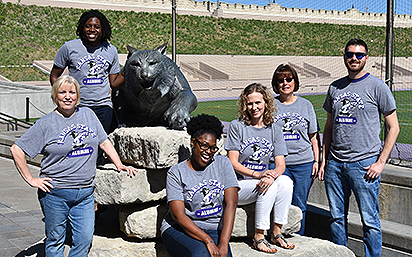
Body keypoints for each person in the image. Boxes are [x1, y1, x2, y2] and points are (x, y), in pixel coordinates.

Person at [10, 75, 137, 257]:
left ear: (78, 96)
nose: (67, 96)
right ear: (55, 95)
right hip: (55, 194)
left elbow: (104, 141)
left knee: (84, 240)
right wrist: (31, 179)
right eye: (62, 92)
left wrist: (119, 164)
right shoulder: (46, 124)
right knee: (55, 241)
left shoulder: (88, 115)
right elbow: (17, 150)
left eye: (72, 92)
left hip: (85, 194)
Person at [319, 38, 399, 257]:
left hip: (364, 164)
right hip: (335, 163)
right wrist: (324, 161)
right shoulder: (335, 87)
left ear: (366, 58)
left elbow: (393, 127)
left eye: (359, 55)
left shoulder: (377, 86)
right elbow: (328, 127)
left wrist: (381, 162)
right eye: (350, 54)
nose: (354, 58)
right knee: (336, 217)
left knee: (370, 220)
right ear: (344, 57)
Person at [225, 83, 294, 253]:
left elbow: (280, 165)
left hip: (260, 180)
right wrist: (258, 174)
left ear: (266, 103)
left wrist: (270, 176)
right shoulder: (237, 126)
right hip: (239, 185)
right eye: (250, 103)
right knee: (267, 186)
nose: (254, 108)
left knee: (285, 182)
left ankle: (277, 232)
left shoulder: (274, 129)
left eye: (258, 103)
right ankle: (258, 236)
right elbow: (232, 162)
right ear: (244, 105)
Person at [50, 9, 124, 164]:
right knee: (80, 146)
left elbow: (114, 83)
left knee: (99, 147)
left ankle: (93, 180)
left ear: (103, 29)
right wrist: (61, 97)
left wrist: (128, 70)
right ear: (82, 28)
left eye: (96, 26)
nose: (92, 30)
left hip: (103, 106)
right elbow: (54, 75)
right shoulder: (69, 47)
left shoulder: (111, 50)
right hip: (79, 106)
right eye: (88, 26)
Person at [160, 114, 239, 257]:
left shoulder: (223, 163)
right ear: (193, 142)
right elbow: (178, 215)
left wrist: (224, 242)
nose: (208, 152)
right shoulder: (176, 173)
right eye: (204, 145)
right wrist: (207, 240)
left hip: (214, 228)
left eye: (213, 148)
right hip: (180, 228)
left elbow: (231, 203)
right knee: (200, 254)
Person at [271, 64, 320, 235]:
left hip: (303, 163)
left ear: (295, 81)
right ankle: (278, 236)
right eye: (280, 80)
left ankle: (298, 239)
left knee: (299, 205)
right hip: (277, 164)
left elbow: (313, 137)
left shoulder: (306, 105)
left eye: (289, 79)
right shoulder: (270, 105)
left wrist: (316, 160)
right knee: (279, 203)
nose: (285, 83)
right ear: (276, 84)